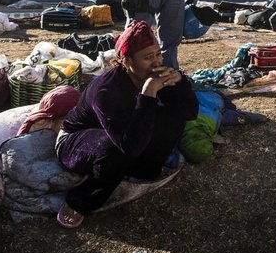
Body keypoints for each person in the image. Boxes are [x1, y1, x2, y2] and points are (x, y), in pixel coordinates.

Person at [55, 21, 198, 229]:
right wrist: (148, 93)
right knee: (116, 150)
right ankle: (79, 202)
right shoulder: (106, 90)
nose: (157, 63)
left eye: (158, 54)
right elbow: (128, 146)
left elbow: (189, 112)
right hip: (76, 140)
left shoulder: (154, 74)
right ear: (126, 61)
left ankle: (145, 170)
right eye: (148, 58)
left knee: (172, 115)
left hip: (122, 132)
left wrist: (179, 83)